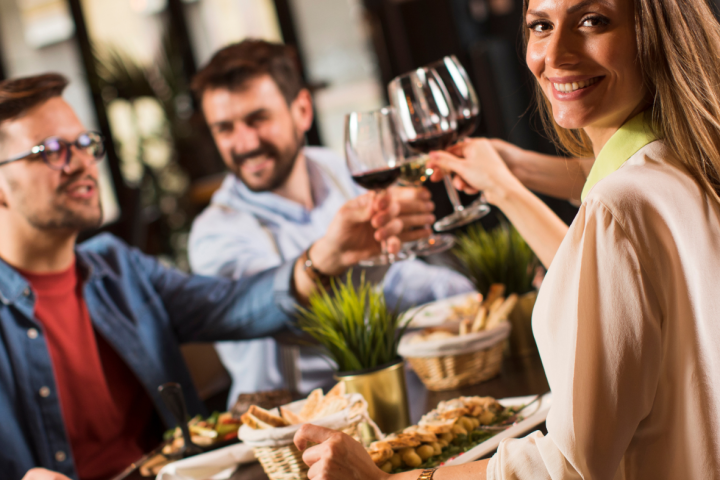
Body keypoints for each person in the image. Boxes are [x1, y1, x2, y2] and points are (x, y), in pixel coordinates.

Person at [294, 0, 720, 478]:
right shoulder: (686, 166)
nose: (554, 54)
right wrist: (506, 177)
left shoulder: (620, 206)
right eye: (540, 26)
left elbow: (568, 469)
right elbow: (612, 283)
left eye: (592, 21)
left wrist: (393, 477)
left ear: (655, 32)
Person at [0, 73, 407, 480]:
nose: (82, 163)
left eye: (84, 144)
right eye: (50, 150)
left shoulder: (118, 267)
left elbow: (231, 306)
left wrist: (327, 254)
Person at [187, 40, 475, 399]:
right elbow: (298, 324)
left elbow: (400, 279)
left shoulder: (335, 168)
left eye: (258, 119)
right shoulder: (214, 233)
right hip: (297, 426)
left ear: (303, 111)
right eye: (224, 128)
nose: (244, 143)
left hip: (394, 392)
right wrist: (343, 254)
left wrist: (473, 298)